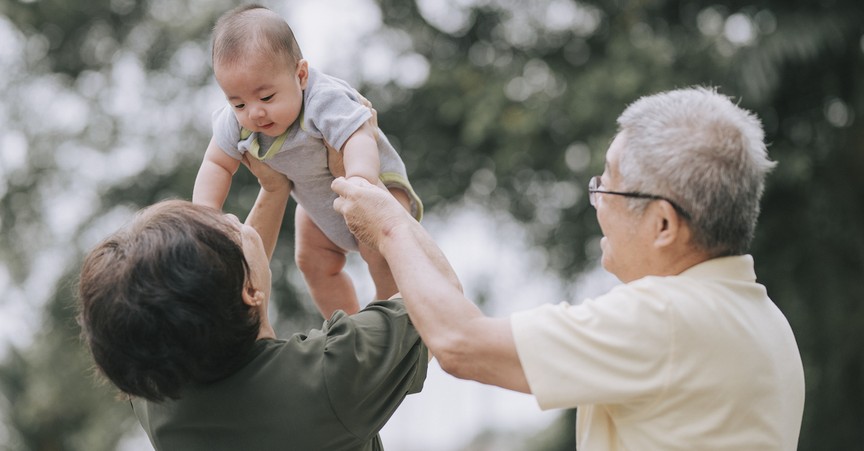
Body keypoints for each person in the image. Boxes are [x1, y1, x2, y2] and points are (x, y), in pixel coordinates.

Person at [332, 87, 805, 450]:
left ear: (663, 223)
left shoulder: (666, 319)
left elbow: (461, 344)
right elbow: (458, 328)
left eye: (608, 186)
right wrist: (396, 221)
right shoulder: (764, 320)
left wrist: (388, 227)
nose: (597, 202)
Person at [77, 157, 428, 450]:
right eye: (225, 228)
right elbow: (432, 298)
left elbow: (232, 285)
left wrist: (275, 189)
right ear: (248, 290)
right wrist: (382, 217)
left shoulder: (157, 396)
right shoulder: (331, 373)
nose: (232, 219)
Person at [192, 4, 423, 319]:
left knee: (381, 251)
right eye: (238, 103)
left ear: (300, 75)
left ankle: (390, 310)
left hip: (374, 185)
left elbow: (359, 136)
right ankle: (349, 323)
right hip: (314, 202)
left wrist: (360, 179)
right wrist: (205, 214)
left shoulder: (323, 99)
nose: (254, 112)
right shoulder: (235, 121)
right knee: (312, 262)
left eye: (266, 97)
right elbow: (216, 164)